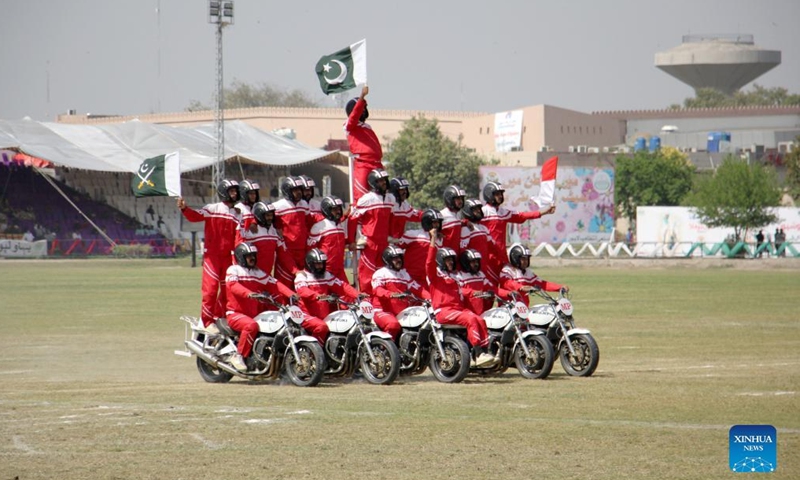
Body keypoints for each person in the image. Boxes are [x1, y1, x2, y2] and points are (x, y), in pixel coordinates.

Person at [426, 228, 495, 368]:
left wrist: (476, 292)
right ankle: (477, 354)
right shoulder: (435, 276)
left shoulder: (455, 276)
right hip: (443, 311)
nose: (451, 262)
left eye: (452, 260)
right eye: (447, 260)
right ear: (440, 261)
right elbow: (429, 262)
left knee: (480, 319)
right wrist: (433, 239)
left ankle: (484, 353)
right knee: (470, 319)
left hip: (458, 309)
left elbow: (462, 291)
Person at [177, 179, 241, 329]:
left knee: (228, 291)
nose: (235, 193)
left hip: (228, 258)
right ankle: (206, 322)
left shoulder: (238, 213)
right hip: (212, 257)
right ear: (224, 192)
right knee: (210, 291)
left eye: (236, 191)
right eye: (232, 191)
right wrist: (185, 208)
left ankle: (220, 317)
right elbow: (195, 216)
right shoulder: (213, 208)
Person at [225, 242, 298, 372]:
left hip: (254, 314)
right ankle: (238, 356)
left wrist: (291, 294)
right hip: (235, 314)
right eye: (249, 256)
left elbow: (274, 283)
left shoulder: (258, 272)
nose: (252, 258)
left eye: (254, 255)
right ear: (241, 256)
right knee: (250, 326)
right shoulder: (233, 270)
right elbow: (233, 286)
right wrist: (249, 294)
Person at [481, 182, 556, 284]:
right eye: (497, 194)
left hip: (502, 257)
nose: (500, 196)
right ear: (489, 194)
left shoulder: (503, 212)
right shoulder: (483, 212)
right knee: (490, 291)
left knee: (508, 289)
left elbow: (522, 216)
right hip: (488, 258)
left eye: (501, 194)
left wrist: (544, 211)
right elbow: (467, 221)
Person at [294, 249, 361, 344]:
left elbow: (342, 286)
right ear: (309, 264)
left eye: (322, 264)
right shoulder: (302, 276)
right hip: (306, 315)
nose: (320, 267)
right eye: (317, 264)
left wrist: (358, 294)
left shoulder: (326, 275)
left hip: (324, 315)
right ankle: (315, 350)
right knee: (321, 327)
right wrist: (316, 296)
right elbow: (302, 291)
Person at [347, 168, 395, 294]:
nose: (384, 183)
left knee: (383, 274)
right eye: (380, 181)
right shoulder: (367, 199)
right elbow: (352, 219)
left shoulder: (391, 199)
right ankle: (366, 301)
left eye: (385, 180)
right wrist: (351, 241)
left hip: (384, 243)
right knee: (366, 275)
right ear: (374, 183)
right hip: (370, 243)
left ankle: (380, 301)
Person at [370, 245, 428, 341]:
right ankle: (387, 352)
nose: (399, 260)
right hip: (382, 311)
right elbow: (377, 290)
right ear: (388, 260)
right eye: (395, 258)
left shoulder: (404, 274)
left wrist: (431, 299)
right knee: (393, 325)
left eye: (400, 257)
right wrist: (392, 294)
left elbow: (418, 289)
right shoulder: (380, 273)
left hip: (401, 312)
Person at [271, 176, 314, 287]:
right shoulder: (277, 206)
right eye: (295, 190)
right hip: (287, 251)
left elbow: (311, 221)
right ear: (287, 191)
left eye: (300, 189)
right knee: (284, 283)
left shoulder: (304, 205)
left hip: (302, 251)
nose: (299, 192)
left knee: (302, 284)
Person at [345, 85, 384, 203]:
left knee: (383, 195)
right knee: (361, 198)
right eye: (361, 108)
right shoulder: (349, 126)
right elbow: (354, 117)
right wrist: (362, 97)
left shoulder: (367, 127)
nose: (363, 111)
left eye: (364, 109)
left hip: (376, 164)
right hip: (363, 164)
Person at [239, 201, 297, 279]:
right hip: (251, 277)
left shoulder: (275, 232)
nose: (270, 218)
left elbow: (283, 253)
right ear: (259, 215)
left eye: (271, 215)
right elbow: (239, 252)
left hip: (267, 276)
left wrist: (296, 271)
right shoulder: (250, 232)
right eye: (267, 215)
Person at [499, 244, 568, 306]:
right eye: (523, 259)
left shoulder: (527, 272)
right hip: (508, 308)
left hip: (523, 310)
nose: (526, 261)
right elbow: (507, 283)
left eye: (527, 258)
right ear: (515, 258)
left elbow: (542, 284)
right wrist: (521, 287)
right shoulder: (507, 270)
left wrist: (559, 287)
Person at [395, 208, 444, 289]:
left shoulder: (439, 240)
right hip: (408, 277)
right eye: (435, 222)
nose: (437, 225)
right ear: (427, 222)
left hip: (426, 280)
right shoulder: (413, 234)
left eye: (439, 223)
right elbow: (395, 249)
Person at [308, 196, 348, 282]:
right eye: (334, 209)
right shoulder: (319, 226)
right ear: (327, 210)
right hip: (326, 270)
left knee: (348, 294)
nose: (338, 211)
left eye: (339, 209)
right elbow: (310, 249)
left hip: (340, 269)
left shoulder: (340, 225)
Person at [455, 249, 506, 315]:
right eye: (473, 262)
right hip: (466, 314)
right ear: (466, 262)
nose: (476, 264)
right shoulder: (459, 276)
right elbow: (457, 290)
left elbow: (493, 288)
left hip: (481, 313)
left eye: (477, 262)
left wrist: (508, 293)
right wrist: (473, 292)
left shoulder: (480, 275)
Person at [440, 185, 467, 253]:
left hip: (454, 255)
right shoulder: (442, 214)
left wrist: (465, 222)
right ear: (450, 200)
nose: (460, 201)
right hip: (445, 255)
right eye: (458, 199)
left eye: (461, 198)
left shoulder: (457, 214)